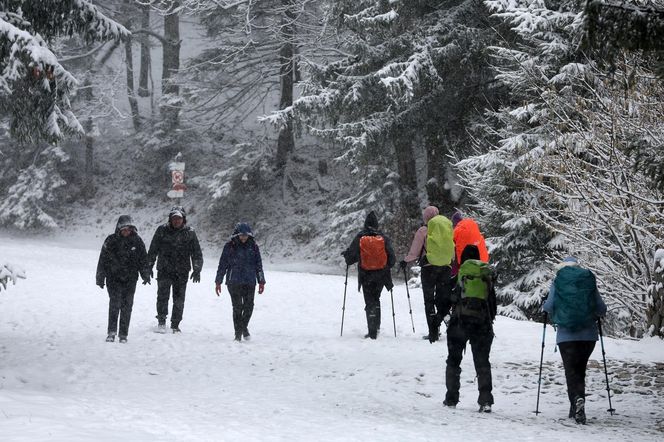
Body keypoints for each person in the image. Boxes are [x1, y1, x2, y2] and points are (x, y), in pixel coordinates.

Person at [543, 256, 607, 424]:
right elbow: (601, 309)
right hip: (588, 337)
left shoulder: (559, 282)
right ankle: (577, 406)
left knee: (571, 372)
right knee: (580, 370)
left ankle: (577, 401)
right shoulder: (586, 281)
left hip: (566, 337)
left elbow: (548, 306)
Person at [444, 245, 497, 412]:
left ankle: (451, 398)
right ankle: (485, 400)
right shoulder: (485, 277)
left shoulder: (459, 276)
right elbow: (493, 307)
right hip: (481, 324)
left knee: (453, 360)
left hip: (459, 323)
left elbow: (447, 299)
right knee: (482, 362)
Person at [399, 206, 454, 343]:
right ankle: (445, 318)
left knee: (429, 300)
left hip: (429, 268)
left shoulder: (423, 230)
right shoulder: (447, 228)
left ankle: (433, 332)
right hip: (446, 267)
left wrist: (405, 261)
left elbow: (415, 251)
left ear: (426, 217)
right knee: (442, 299)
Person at [147, 206, 203, 333]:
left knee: (179, 299)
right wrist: (149, 266)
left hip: (182, 271)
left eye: (179, 218)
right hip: (164, 269)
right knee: (162, 297)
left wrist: (197, 269)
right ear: (170, 219)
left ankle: (175, 324)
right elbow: (153, 250)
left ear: (184, 220)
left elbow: (197, 253)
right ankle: (161, 321)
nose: (176, 221)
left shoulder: (190, 232)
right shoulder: (161, 230)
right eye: (174, 218)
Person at [96, 215, 151, 343]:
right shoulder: (110, 240)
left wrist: (146, 274)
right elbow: (102, 260)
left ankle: (123, 334)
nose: (126, 231)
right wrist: (100, 276)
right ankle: (111, 332)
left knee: (127, 306)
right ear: (119, 229)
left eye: (129, 229)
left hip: (131, 279)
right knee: (115, 304)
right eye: (124, 229)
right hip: (113, 278)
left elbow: (143, 260)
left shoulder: (137, 241)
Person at [342, 211, 396, 339]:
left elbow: (351, 259)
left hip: (366, 275)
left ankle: (372, 330)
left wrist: (346, 255)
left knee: (370, 301)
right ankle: (376, 327)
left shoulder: (360, 237)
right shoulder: (383, 237)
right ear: (377, 225)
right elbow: (392, 259)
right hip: (381, 275)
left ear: (365, 224)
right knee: (376, 299)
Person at [215, 223, 266, 342]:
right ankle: (238, 334)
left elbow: (259, 265)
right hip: (234, 282)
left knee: (249, 307)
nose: (243, 238)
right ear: (237, 235)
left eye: (246, 235)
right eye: (241, 235)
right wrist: (218, 281)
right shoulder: (229, 246)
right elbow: (222, 265)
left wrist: (261, 281)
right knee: (237, 308)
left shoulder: (253, 247)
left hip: (250, 281)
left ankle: (243, 328)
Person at [451, 211, 489, 277]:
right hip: (483, 261)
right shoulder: (474, 229)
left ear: (455, 223)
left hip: (467, 264)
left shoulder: (457, 231)